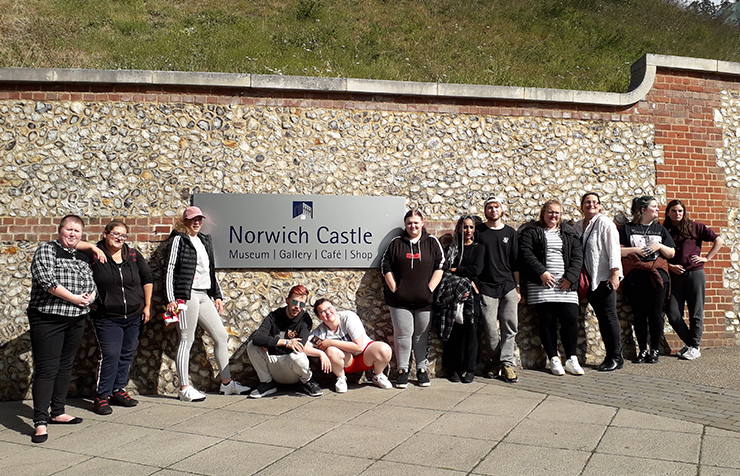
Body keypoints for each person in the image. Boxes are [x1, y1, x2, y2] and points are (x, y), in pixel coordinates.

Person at [164, 206, 250, 402]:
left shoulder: (204, 240)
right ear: (184, 221)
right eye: (192, 219)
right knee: (186, 339)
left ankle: (227, 384)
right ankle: (184, 387)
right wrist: (171, 299)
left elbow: (210, 270)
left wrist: (217, 295)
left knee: (221, 335)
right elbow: (169, 270)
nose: (196, 222)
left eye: (199, 219)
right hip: (186, 296)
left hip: (204, 295)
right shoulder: (178, 240)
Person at [27, 215, 98, 443]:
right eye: (69, 229)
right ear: (60, 230)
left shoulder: (81, 256)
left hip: (76, 318)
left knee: (65, 365)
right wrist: (75, 298)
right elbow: (46, 280)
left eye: (77, 231)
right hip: (48, 318)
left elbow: (91, 282)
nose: (73, 234)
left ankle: (57, 412)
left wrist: (89, 297)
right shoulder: (46, 250)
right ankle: (40, 421)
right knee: (47, 369)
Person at [88, 220, 153, 415]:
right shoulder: (94, 254)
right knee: (110, 355)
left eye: (123, 235)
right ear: (105, 233)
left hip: (134, 315)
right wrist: (91, 246)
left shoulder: (132, 255)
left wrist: (148, 306)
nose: (119, 238)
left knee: (127, 353)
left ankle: (117, 390)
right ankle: (102, 396)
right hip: (107, 316)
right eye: (116, 233)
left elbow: (147, 279)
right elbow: (74, 245)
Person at [520, 199, 584, 376]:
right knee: (547, 322)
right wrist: (542, 272)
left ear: (560, 215)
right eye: (550, 212)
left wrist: (570, 278)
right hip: (542, 284)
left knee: (570, 320)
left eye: (557, 213)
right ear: (543, 213)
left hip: (566, 285)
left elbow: (578, 257)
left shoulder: (570, 234)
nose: (553, 215)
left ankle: (571, 358)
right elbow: (526, 253)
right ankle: (553, 358)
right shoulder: (532, 232)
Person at [381, 209, 445, 388]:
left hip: (425, 300)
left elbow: (441, 264)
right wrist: (394, 288)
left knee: (421, 335)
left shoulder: (432, 242)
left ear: (422, 223)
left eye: (416, 222)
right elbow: (385, 264)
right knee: (402, 335)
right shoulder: (396, 243)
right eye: (409, 223)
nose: (413, 226)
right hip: (399, 300)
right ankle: (402, 371)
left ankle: (422, 370)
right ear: (405, 224)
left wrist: (430, 288)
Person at [663, 199, 724, 361]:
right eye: (674, 211)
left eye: (680, 211)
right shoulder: (664, 230)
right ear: (668, 212)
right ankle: (691, 344)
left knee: (696, 312)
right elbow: (660, 255)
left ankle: (694, 347)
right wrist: (670, 266)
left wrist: (706, 258)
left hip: (694, 274)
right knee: (673, 313)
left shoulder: (695, 227)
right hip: (675, 276)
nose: (677, 214)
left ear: (684, 212)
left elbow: (719, 240)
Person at [620, 196, 676, 364]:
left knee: (655, 313)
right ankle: (643, 349)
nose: (657, 209)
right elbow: (618, 250)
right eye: (654, 206)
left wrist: (659, 246)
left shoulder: (660, 229)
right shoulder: (627, 229)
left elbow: (672, 253)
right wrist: (636, 250)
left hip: (657, 277)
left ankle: (654, 350)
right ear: (642, 210)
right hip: (636, 277)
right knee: (639, 314)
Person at [574, 193, 624, 371]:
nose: (591, 205)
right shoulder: (578, 226)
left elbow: (613, 250)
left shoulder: (605, 223)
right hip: (589, 280)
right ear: (582, 205)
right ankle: (614, 357)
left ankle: (614, 357)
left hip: (604, 278)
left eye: (595, 202)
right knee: (603, 319)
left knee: (608, 317)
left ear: (600, 206)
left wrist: (615, 274)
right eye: (587, 202)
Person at [247, 285, 323, 398]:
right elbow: (257, 338)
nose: (297, 306)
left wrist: (270, 343)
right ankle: (267, 384)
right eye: (294, 302)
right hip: (273, 364)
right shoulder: (274, 316)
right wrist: (286, 342)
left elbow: (299, 345)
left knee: (298, 355)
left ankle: (307, 381)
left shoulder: (305, 319)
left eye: (302, 304)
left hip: (292, 367)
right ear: (287, 300)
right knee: (252, 346)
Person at [433, 215, 484, 383]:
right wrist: (458, 271)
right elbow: (446, 269)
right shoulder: (452, 249)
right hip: (453, 295)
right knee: (453, 331)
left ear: (474, 229)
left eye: (470, 227)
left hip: (471, 294)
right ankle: (453, 368)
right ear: (459, 229)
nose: (467, 230)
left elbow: (476, 270)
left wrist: (457, 269)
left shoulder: (479, 248)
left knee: (471, 331)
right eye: (464, 227)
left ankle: (470, 369)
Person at [304, 298, 393, 393]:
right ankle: (341, 378)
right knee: (331, 350)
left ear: (334, 308)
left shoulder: (348, 317)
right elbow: (304, 346)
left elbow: (358, 347)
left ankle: (378, 375)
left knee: (384, 349)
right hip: (346, 361)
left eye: (329, 308)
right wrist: (321, 354)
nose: (328, 312)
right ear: (319, 317)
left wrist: (331, 342)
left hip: (365, 354)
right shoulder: (320, 332)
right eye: (323, 311)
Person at [476, 196, 521, 383]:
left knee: (510, 325)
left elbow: (515, 262)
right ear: (485, 211)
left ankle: (507, 363)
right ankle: (496, 361)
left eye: (496, 207)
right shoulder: (479, 232)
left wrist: (518, 287)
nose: (493, 210)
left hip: (508, 286)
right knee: (489, 327)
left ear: (502, 209)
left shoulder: (510, 233)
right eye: (490, 207)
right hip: (486, 287)